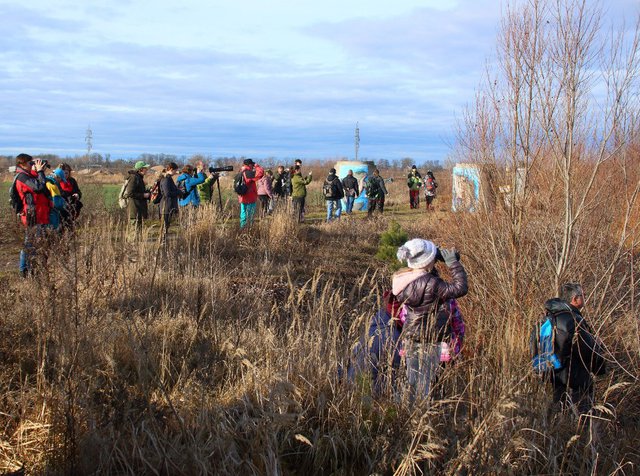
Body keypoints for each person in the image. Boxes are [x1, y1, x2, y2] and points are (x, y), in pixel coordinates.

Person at [392, 239, 468, 403]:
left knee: (414, 381)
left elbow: (423, 283)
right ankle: (426, 414)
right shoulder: (433, 284)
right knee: (431, 384)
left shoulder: (403, 279)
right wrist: (453, 264)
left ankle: (410, 412)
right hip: (432, 340)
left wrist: (432, 262)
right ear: (427, 261)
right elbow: (460, 288)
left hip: (412, 338)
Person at [545, 283, 606, 416]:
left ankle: (560, 430)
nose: (584, 298)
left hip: (553, 373)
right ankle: (582, 433)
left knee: (559, 410)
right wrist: (599, 356)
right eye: (583, 296)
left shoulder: (549, 317)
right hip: (574, 375)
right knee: (582, 413)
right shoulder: (574, 319)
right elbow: (588, 350)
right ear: (575, 299)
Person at [11, 154, 52, 277]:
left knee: (33, 244)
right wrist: (39, 171)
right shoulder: (22, 177)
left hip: (38, 214)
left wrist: (40, 172)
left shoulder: (28, 176)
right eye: (30, 163)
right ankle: (25, 271)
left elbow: (43, 188)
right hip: (32, 216)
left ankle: (30, 270)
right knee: (30, 244)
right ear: (22, 164)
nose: (32, 165)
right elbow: (39, 187)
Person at [124, 160, 151, 240]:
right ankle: (131, 248)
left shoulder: (138, 177)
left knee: (138, 231)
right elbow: (130, 193)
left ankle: (136, 248)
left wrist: (148, 192)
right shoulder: (134, 177)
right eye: (146, 168)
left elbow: (137, 191)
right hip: (135, 208)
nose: (147, 170)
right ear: (141, 169)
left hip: (138, 208)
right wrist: (143, 195)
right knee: (133, 232)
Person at [237, 158, 265, 228]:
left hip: (242, 197)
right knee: (250, 216)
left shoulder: (241, 172)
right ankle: (249, 230)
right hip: (249, 197)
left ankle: (242, 229)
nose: (253, 166)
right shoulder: (248, 173)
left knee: (243, 215)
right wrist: (257, 166)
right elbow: (260, 173)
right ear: (249, 165)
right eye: (252, 164)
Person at [159, 162, 181, 242]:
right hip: (166, 206)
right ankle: (162, 241)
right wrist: (178, 192)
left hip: (168, 205)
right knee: (165, 225)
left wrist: (178, 191)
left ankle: (163, 240)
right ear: (171, 169)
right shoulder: (166, 179)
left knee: (166, 225)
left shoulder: (168, 178)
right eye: (175, 170)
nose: (176, 172)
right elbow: (167, 193)